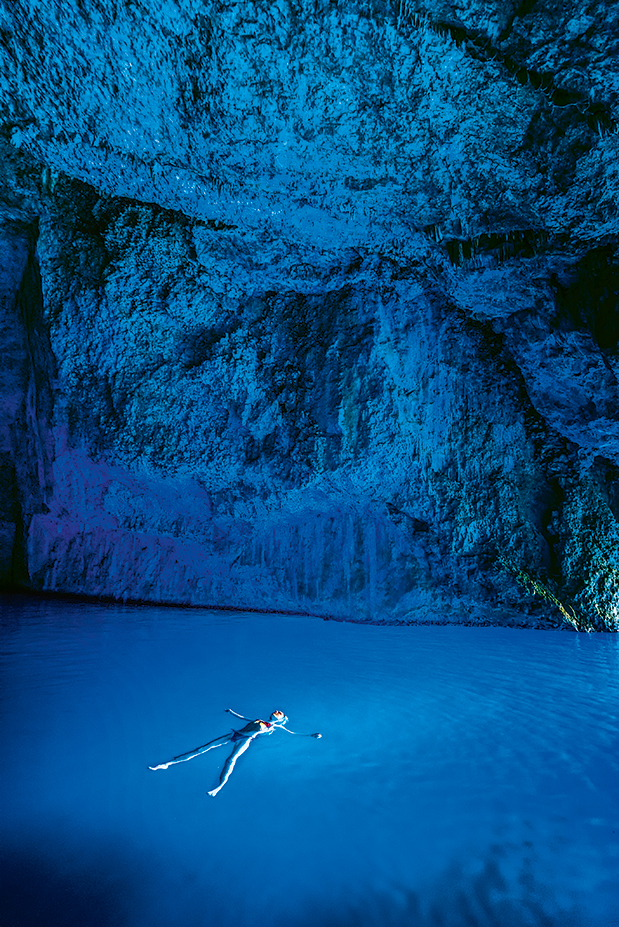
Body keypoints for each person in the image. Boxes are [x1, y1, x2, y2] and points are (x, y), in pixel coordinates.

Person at [149, 708, 321, 797]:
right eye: (276, 711)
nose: (276, 711)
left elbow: (294, 733)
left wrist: (311, 735)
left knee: (231, 760)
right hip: (235, 734)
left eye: (279, 713)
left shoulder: (275, 727)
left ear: (280, 718)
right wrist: (231, 712)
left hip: (245, 740)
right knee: (202, 748)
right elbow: (242, 718)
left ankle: (218, 787)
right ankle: (166, 764)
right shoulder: (259, 720)